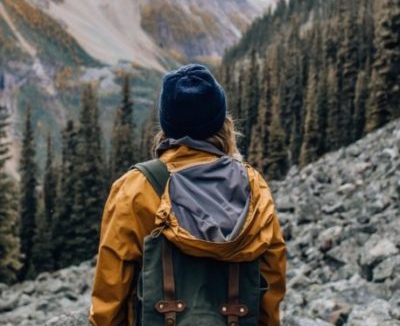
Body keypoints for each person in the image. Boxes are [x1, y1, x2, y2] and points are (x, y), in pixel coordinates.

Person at [90, 64, 286, 325]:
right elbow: (271, 280)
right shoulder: (253, 187)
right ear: (222, 124)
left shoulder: (135, 188)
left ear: (166, 125)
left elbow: (111, 292)